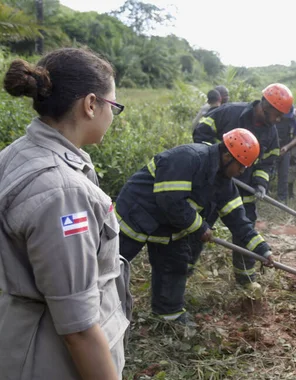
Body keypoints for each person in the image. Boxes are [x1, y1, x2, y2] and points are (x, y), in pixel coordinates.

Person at [0, 48, 131, 380]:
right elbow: (79, 329)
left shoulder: (17, 153)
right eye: (114, 106)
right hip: (49, 360)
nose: (113, 115)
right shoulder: (63, 192)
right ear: (90, 104)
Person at [115, 129, 274, 324]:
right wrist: (201, 227)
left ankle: (168, 316)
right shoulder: (189, 158)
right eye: (241, 167)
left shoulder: (224, 184)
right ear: (227, 156)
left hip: (170, 227)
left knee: (174, 265)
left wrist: (263, 250)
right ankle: (94, 308)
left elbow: (239, 222)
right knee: (112, 265)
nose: (241, 172)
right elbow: (170, 201)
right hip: (137, 215)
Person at [193, 83, 292, 288]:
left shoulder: (271, 134)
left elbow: (267, 162)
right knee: (199, 228)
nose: (278, 120)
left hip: (244, 192)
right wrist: (216, 161)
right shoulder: (230, 112)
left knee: (244, 232)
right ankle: (182, 271)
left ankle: (246, 279)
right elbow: (201, 132)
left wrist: (261, 183)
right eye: (277, 114)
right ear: (266, 105)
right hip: (215, 186)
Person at [275, 106, 296, 202]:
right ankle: (265, 194)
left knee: (284, 175)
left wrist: (287, 147)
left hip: (285, 150)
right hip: (272, 150)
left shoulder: (292, 120)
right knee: (267, 173)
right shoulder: (273, 119)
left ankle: (282, 198)